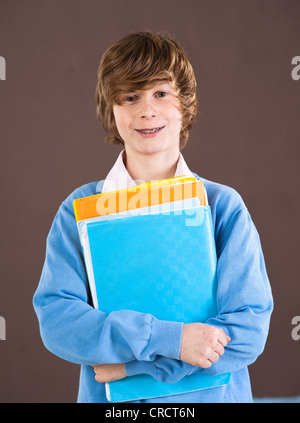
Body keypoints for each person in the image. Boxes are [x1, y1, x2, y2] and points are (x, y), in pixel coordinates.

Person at [33, 31, 273, 403]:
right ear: (111, 111)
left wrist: (134, 367)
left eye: (161, 93)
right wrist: (172, 340)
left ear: (185, 104)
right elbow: (58, 321)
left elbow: (248, 330)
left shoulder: (222, 206)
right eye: (130, 97)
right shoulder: (80, 209)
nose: (147, 111)